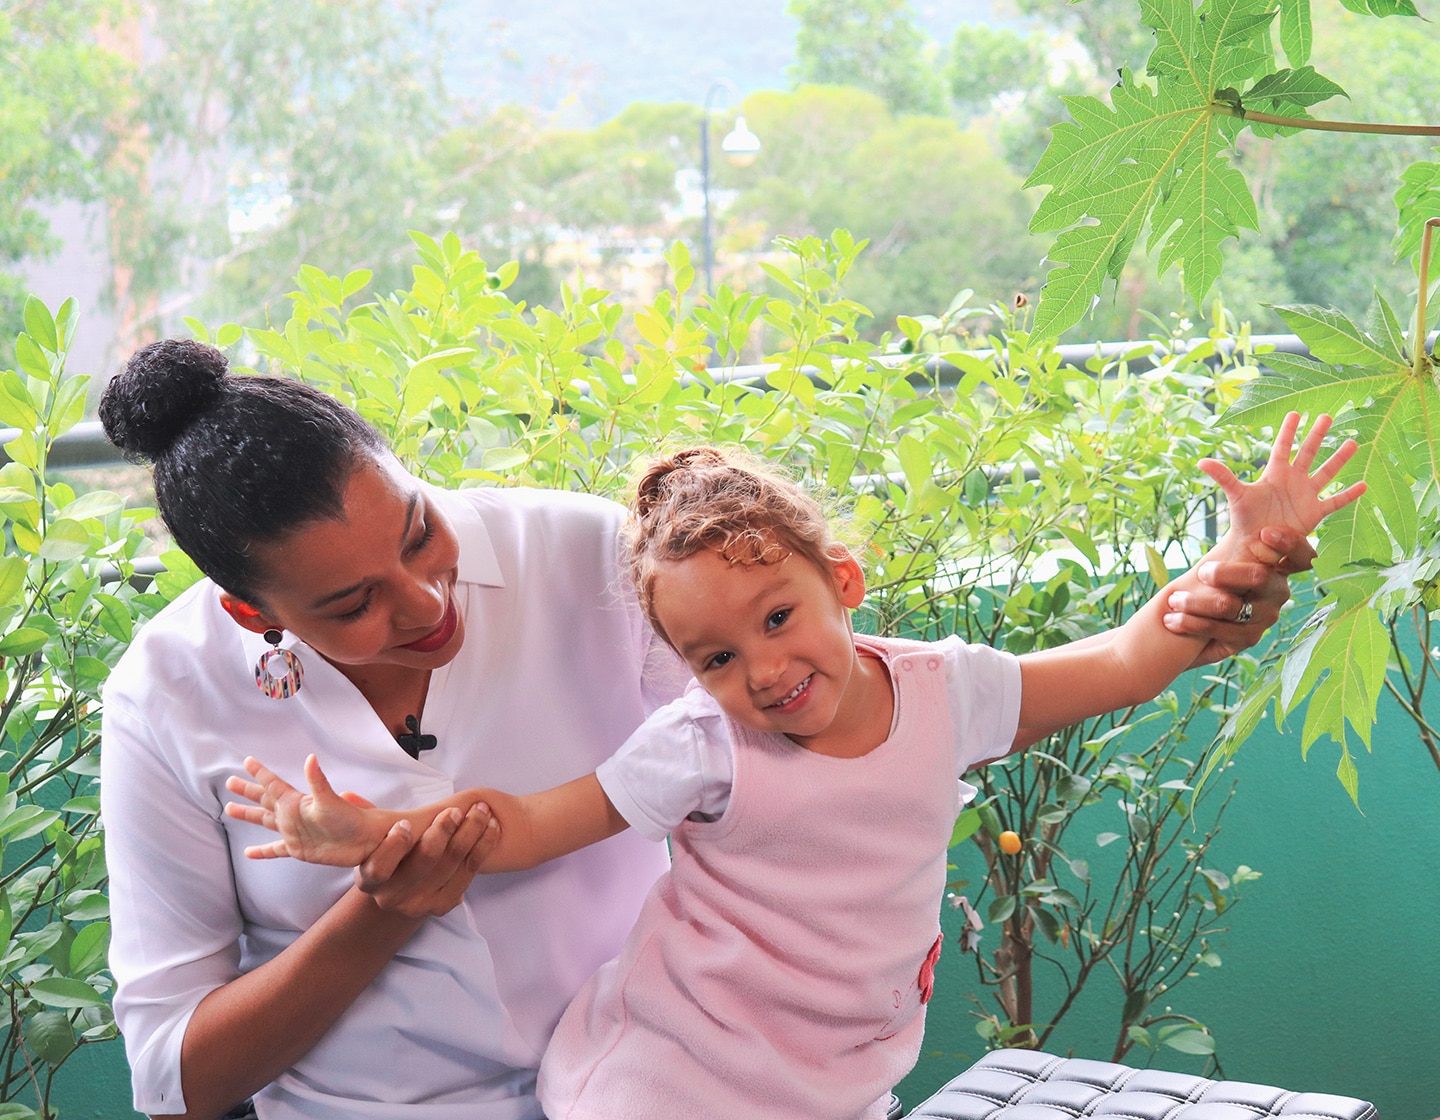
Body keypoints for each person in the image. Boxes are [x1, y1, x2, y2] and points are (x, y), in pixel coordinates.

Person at [224, 419, 1361, 1120]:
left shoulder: (944, 690)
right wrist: (365, 833)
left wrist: (1240, 559)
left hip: (830, 1077)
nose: (762, 670)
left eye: (779, 618)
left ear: (846, 583)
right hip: (669, 1077)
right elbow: (522, 825)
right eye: (715, 655)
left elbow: (1120, 660)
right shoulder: (701, 743)